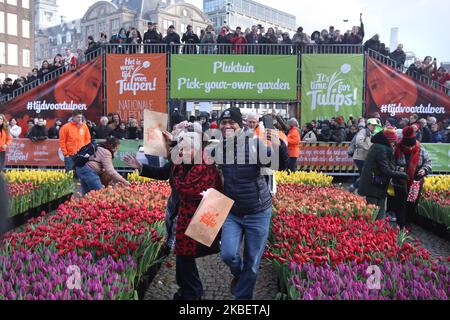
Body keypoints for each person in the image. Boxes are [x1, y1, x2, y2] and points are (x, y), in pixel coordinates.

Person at [126, 124, 222, 300]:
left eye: (189, 146)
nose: (184, 150)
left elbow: (199, 191)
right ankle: (188, 290)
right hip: (180, 212)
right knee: (182, 254)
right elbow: (164, 173)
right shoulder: (178, 162)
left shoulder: (206, 166)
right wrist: (140, 166)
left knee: (186, 255)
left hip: (200, 215)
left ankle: (192, 291)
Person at [216, 107, 288, 300]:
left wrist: (279, 145)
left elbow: (279, 165)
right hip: (233, 211)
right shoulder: (219, 147)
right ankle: (240, 275)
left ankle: (242, 301)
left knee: (253, 262)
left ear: (240, 125)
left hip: (258, 211)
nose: (227, 126)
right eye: (223, 122)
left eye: (232, 122)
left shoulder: (255, 144)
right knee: (228, 254)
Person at [358, 127, 408, 220]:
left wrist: (397, 169)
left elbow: (386, 165)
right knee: (373, 215)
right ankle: (372, 232)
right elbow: (386, 170)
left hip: (376, 184)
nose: (394, 144)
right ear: (389, 140)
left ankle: (376, 231)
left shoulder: (379, 146)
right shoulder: (382, 149)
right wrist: (404, 175)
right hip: (374, 185)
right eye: (393, 141)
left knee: (376, 214)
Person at [393, 126, 432, 230]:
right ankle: (400, 223)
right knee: (400, 202)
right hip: (400, 180)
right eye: (407, 147)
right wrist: (398, 168)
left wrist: (424, 170)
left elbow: (428, 162)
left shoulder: (420, 149)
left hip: (416, 180)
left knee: (412, 203)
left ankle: (408, 222)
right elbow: (390, 163)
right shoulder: (397, 148)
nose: (410, 148)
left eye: (411, 146)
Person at [349, 118, 378, 192]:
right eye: (373, 125)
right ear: (368, 125)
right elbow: (359, 142)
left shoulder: (369, 132)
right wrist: (369, 147)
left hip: (363, 157)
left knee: (363, 174)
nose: (374, 127)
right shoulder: (363, 131)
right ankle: (354, 186)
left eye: (375, 125)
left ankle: (358, 188)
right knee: (365, 175)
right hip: (360, 157)